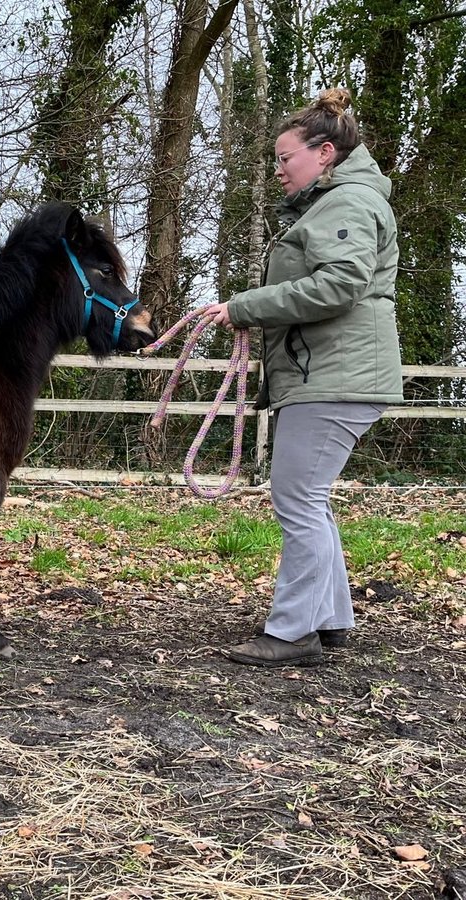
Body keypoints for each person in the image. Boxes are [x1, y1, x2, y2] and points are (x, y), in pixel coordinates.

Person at [203, 88, 403, 667]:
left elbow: (340, 284)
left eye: (285, 157)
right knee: (309, 498)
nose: (278, 169)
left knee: (298, 499)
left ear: (325, 152)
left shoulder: (347, 203)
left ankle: (293, 632)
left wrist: (246, 307)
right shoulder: (336, 202)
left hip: (335, 377)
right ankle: (328, 618)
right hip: (330, 373)